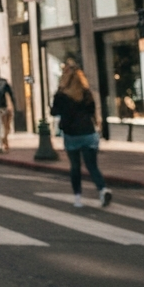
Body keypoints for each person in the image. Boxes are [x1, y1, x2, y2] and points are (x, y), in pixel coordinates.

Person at [51, 60, 113, 209]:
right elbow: (92, 111)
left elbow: (54, 112)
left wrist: (59, 93)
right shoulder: (86, 93)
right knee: (92, 166)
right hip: (88, 132)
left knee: (75, 166)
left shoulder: (61, 95)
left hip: (71, 134)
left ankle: (78, 197)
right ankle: (102, 189)